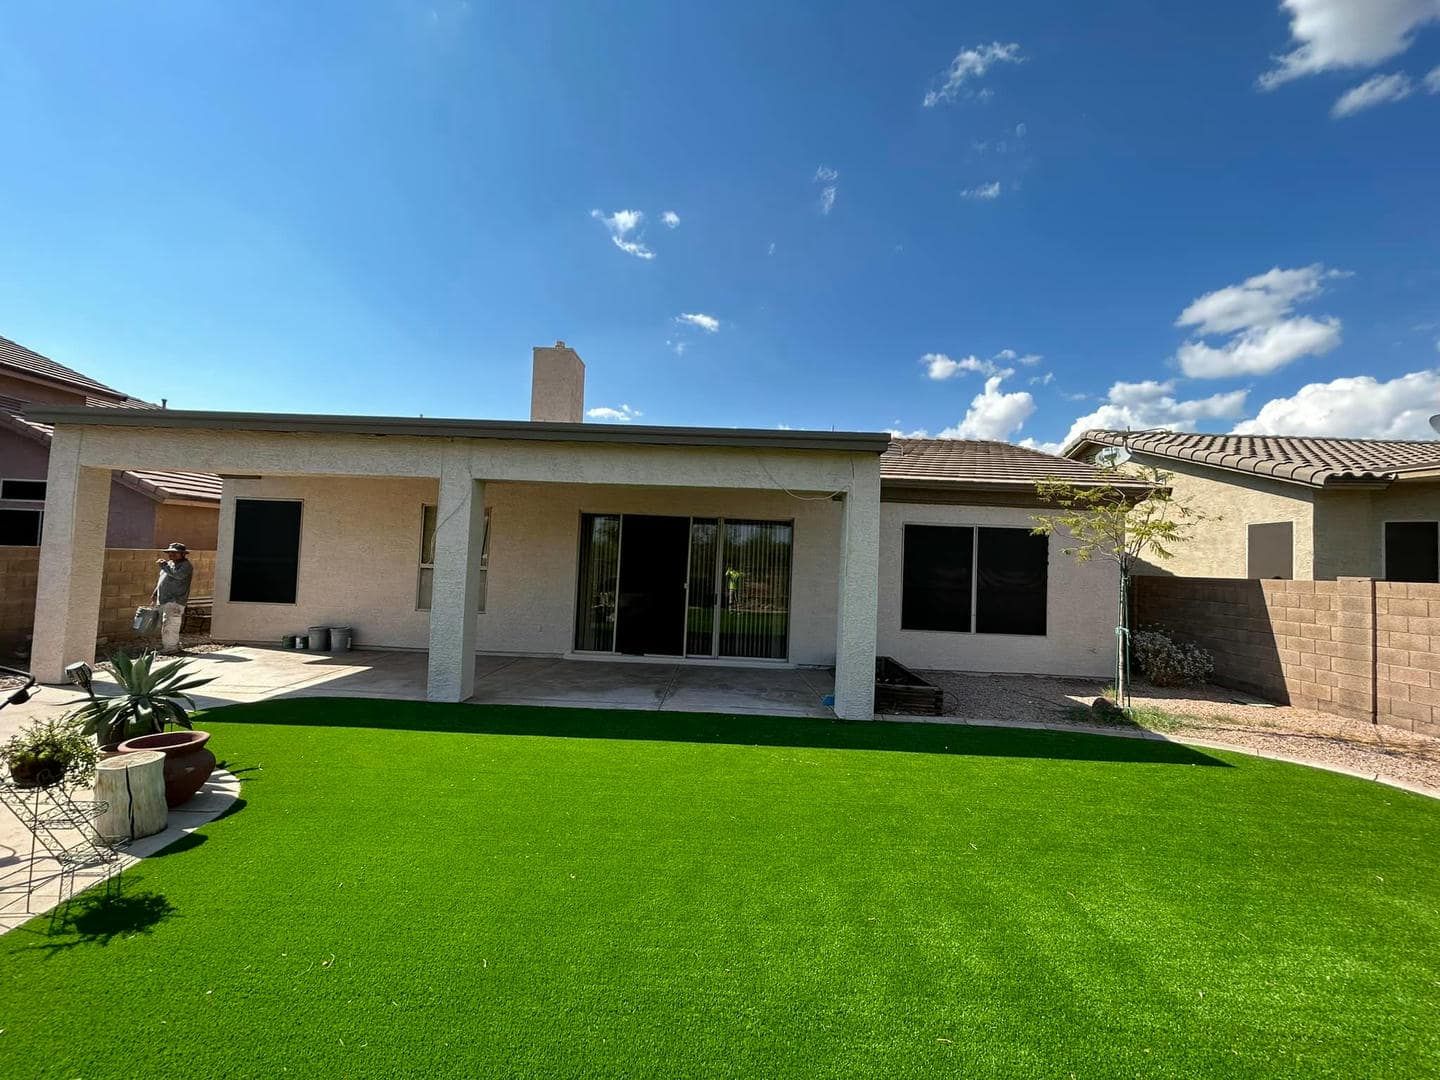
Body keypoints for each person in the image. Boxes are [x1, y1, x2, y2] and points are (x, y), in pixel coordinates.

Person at [154, 542, 194, 655]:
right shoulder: (169, 564)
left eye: (175, 553)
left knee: (171, 624)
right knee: (167, 624)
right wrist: (155, 593)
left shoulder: (185, 565)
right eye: (170, 552)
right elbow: (162, 580)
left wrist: (164, 566)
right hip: (165, 599)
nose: (171, 554)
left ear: (182, 554)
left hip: (175, 600)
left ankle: (171, 648)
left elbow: (178, 575)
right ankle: (172, 645)